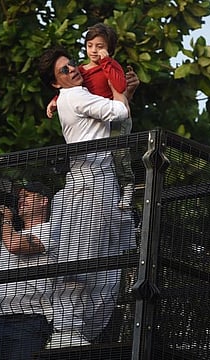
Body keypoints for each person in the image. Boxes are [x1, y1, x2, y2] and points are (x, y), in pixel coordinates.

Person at [38, 47, 137, 348]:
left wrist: (120, 89)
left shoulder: (73, 94)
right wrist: (121, 93)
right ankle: (69, 331)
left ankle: (78, 332)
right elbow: (119, 113)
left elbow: (115, 118)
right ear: (56, 83)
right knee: (84, 254)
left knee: (103, 258)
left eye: (71, 65)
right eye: (64, 71)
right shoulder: (75, 96)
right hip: (89, 181)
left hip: (100, 179)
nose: (73, 70)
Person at [46, 23, 138, 209]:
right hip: (101, 118)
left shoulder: (111, 66)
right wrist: (55, 100)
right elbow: (72, 87)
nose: (94, 50)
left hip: (117, 118)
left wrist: (106, 63)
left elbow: (119, 87)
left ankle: (127, 186)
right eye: (90, 46)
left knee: (119, 154)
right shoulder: (81, 69)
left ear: (109, 50)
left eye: (100, 46)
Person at [0, 182, 56, 360]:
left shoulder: (50, 229)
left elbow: (15, 246)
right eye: (20, 198)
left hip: (30, 317)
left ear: (44, 201)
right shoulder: (9, 237)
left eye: (27, 196)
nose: (21, 201)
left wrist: (7, 219)